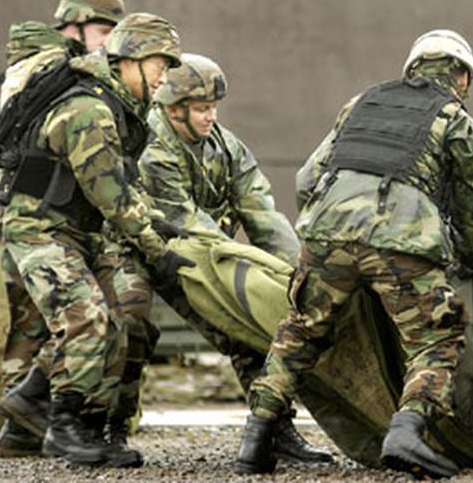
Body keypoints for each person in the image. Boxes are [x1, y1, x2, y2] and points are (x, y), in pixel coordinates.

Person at [235, 29, 473, 477]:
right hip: (401, 243)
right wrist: (468, 263)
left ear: (412, 68)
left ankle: (256, 437)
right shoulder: (455, 118)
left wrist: (325, 240)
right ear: (461, 77)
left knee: (301, 331)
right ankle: (407, 431)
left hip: (326, 233)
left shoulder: (360, 103)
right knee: (436, 339)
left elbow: (306, 179)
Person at [0, 12, 192, 467]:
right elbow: (111, 197)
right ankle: (65, 429)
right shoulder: (91, 111)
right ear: (130, 60)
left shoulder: (119, 104)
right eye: (160, 65)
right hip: (37, 227)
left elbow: (123, 187)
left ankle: (26, 418)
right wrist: (157, 251)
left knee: (123, 309)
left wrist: (154, 223)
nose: (164, 78)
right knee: (86, 318)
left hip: (74, 229)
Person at [138, 52, 331, 463]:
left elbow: (261, 213)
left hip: (203, 255)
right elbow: (185, 221)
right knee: (123, 327)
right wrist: (244, 263)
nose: (211, 117)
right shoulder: (152, 148)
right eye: (202, 108)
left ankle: (277, 428)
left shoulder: (226, 148)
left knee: (250, 328)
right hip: (148, 254)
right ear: (173, 109)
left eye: (213, 108)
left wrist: (300, 273)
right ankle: (88, 428)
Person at [0, 0, 126, 459]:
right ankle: (38, 414)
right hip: (39, 212)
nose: (109, 42)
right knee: (69, 317)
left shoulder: (36, 65)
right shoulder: (54, 67)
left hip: (28, 207)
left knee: (37, 325)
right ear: (77, 24)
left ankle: (20, 430)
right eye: (104, 30)